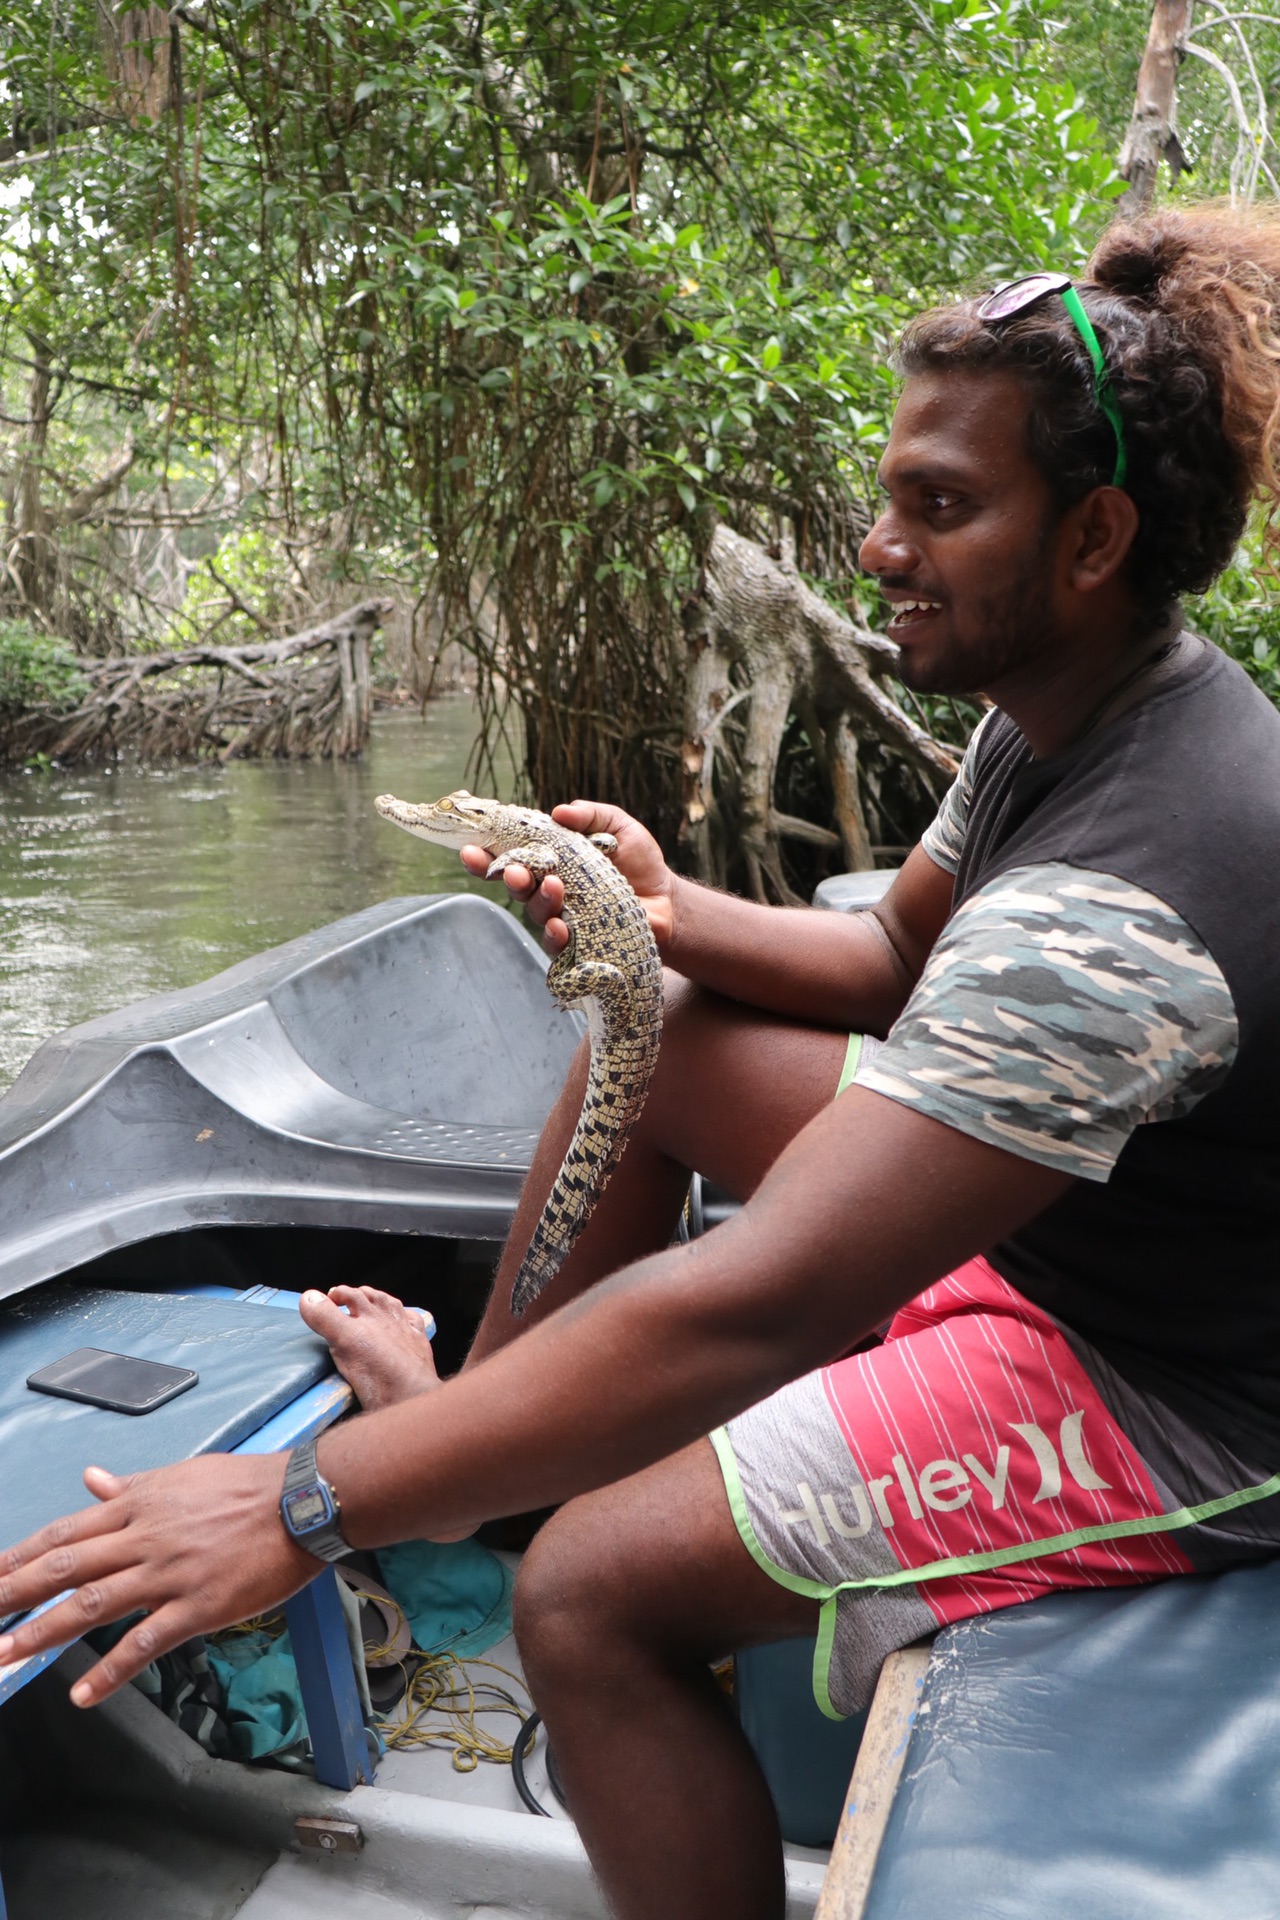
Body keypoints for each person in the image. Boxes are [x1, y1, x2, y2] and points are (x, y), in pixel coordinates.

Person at [4, 202, 1280, 1920]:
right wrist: (663, 908)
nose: (880, 548)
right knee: (667, 1038)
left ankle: (507, 1499)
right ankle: (487, 1444)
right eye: (892, 492)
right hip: (1087, 1226)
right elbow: (895, 956)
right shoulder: (1059, 697)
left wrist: (303, 1501)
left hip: (1178, 1388)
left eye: (941, 508)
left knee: (592, 1597)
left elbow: (754, 1298)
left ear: (1097, 533)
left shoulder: (1123, 916)